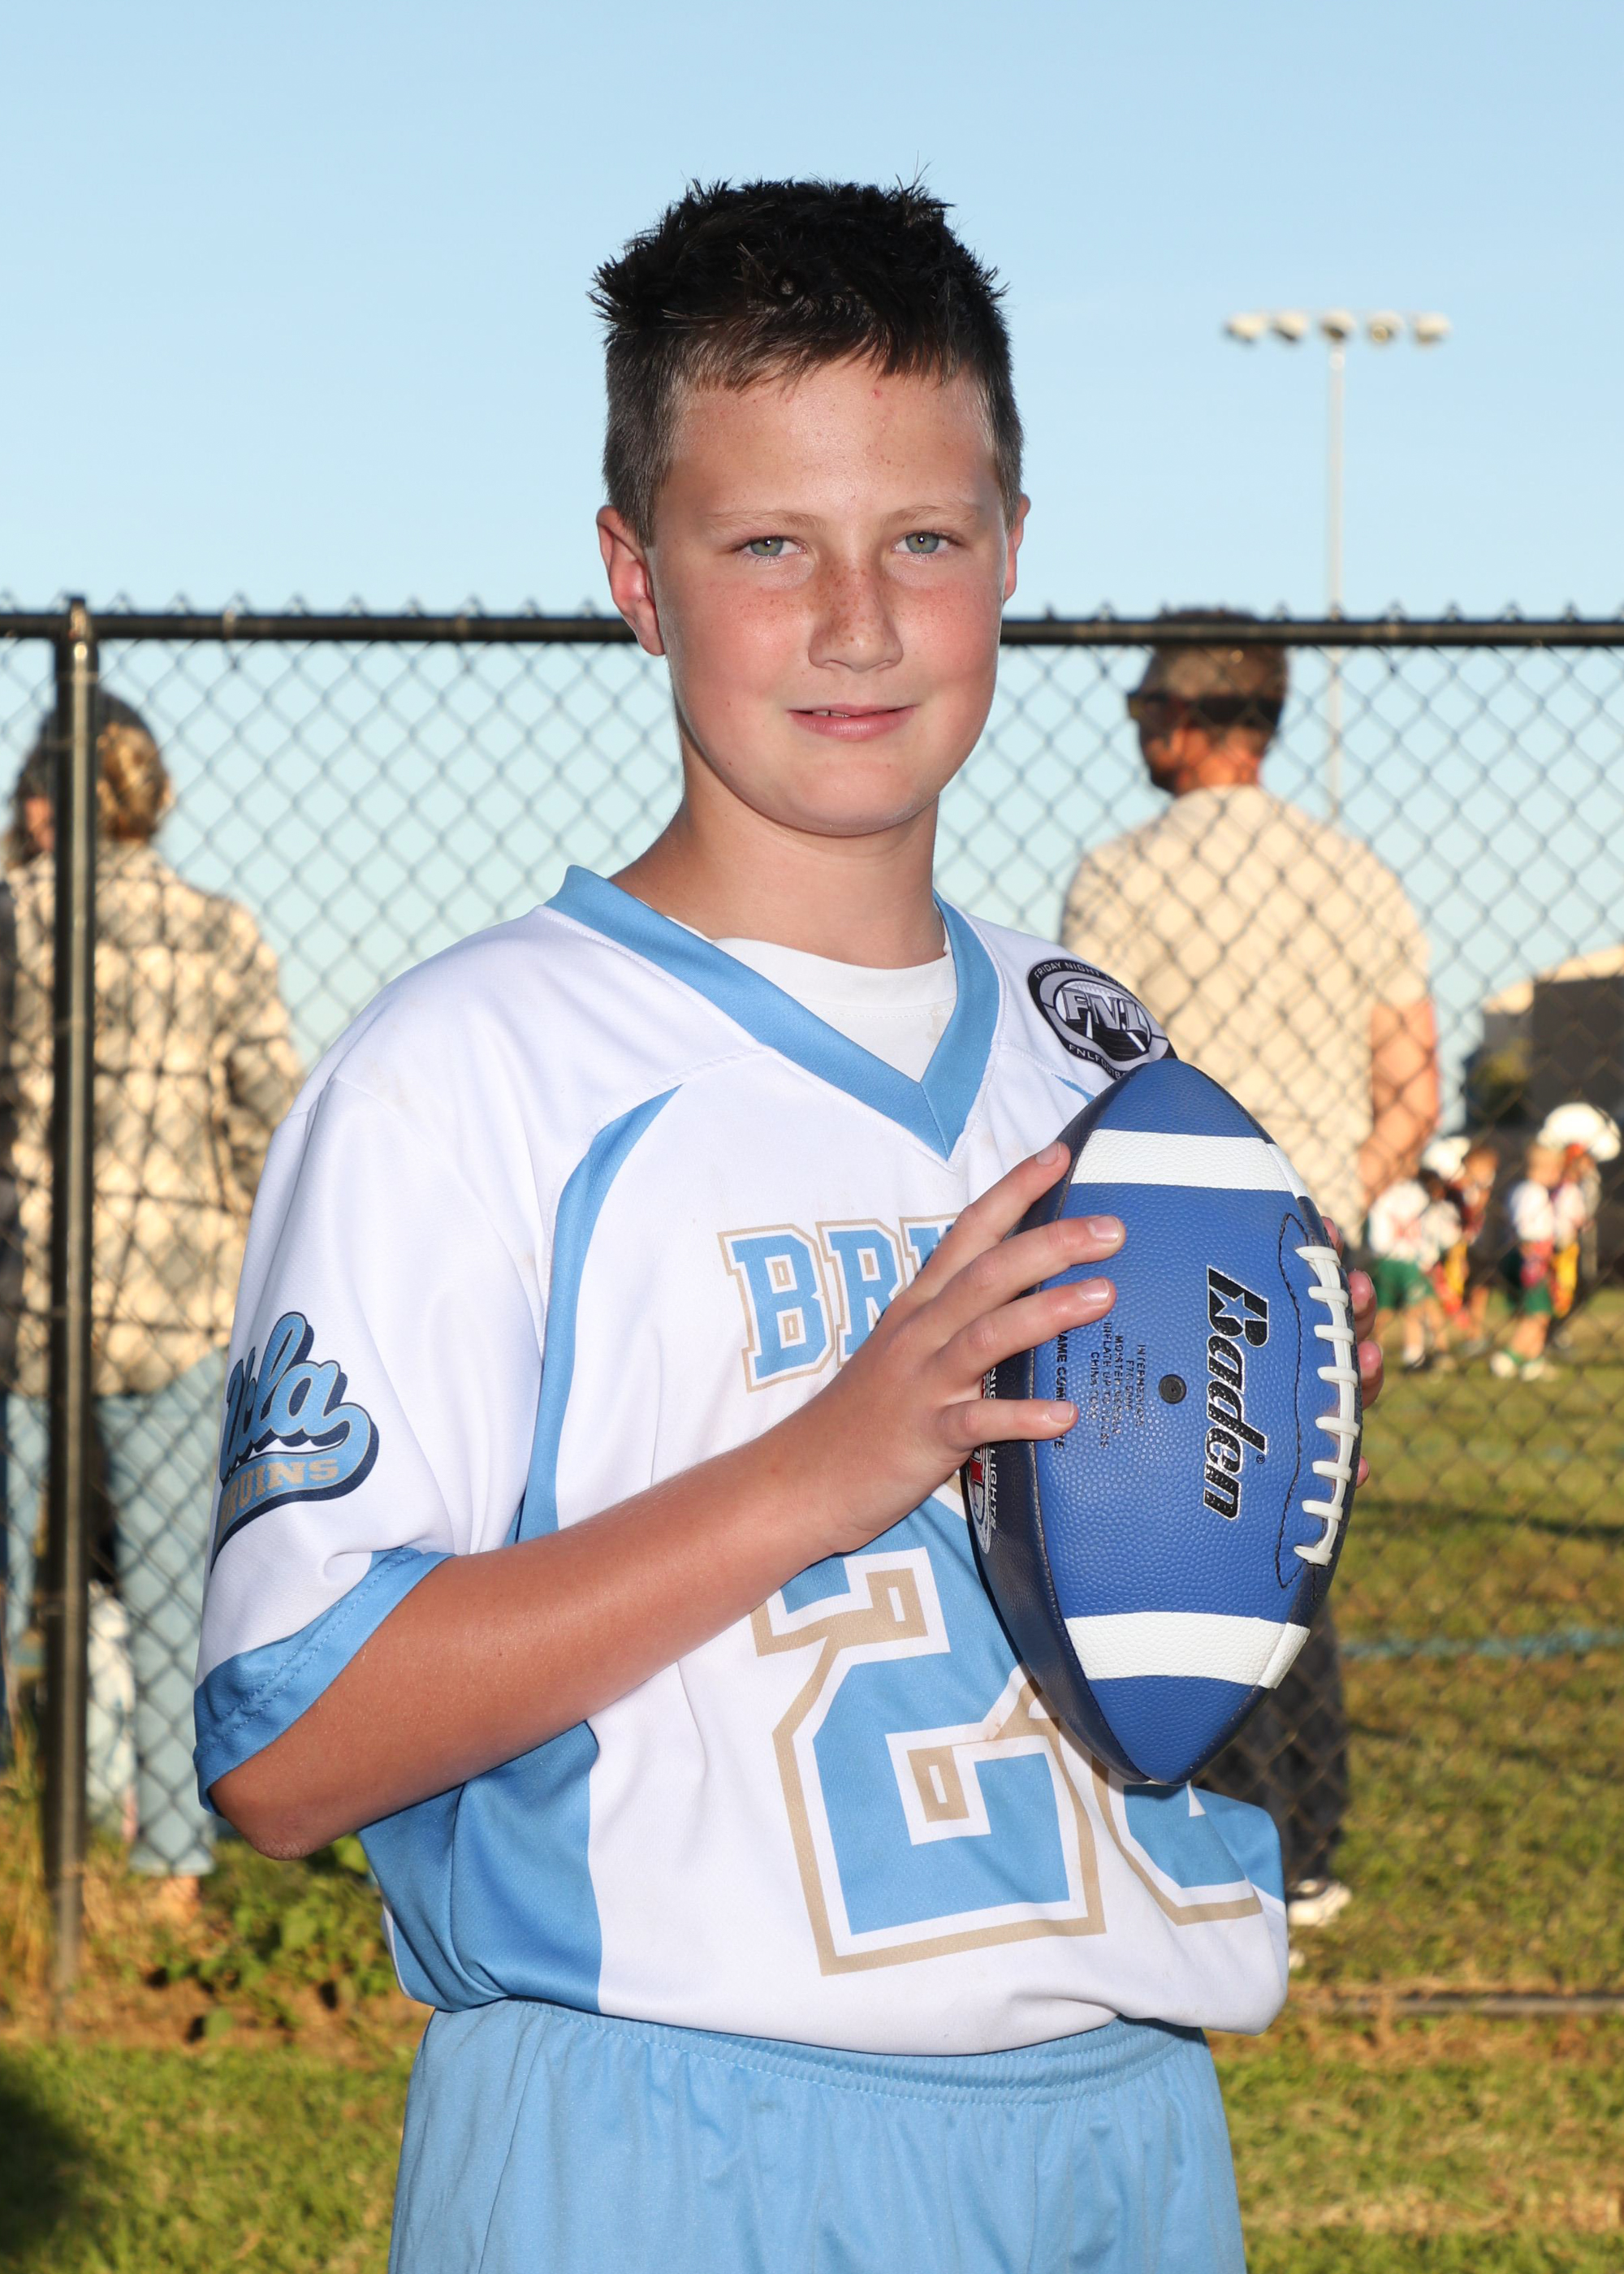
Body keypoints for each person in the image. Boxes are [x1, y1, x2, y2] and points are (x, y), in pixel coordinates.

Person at [197, 182, 1383, 2274]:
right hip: (663, 2131)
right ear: (633, 575)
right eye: (767, 546)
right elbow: (287, 1744)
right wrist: (819, 1469)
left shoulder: (1105, 1063)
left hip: (1115, 2127)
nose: (857, 620)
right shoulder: (472, 1072)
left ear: (1010, 545)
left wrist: (1267, 1443)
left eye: (922, 539)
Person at [1061, 625, 1436, 1937]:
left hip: (1172, 1246)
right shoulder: (1354, 871)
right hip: (1310, 1237)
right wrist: (1328, 1197)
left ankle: (1197, 1809)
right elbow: (1412, 1088)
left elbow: (1095, 1073)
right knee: (1295, 1527)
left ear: (1176, 721)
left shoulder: (1123, 874)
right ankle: (1307, 1838)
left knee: (1169, 1525)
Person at [2, 697, 301, 1912]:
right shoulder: (218, 931)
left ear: (47, 802)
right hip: (177, 1298)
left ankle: (23, 1852)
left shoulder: (14, 918)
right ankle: (171, 1868)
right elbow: (268, 1113)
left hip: (22, 1289)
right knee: (179, 1589)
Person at [1365, 1164, 1460, 1371]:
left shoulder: (1384, 1194)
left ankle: (1374, 1353)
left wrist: (1379, 1251)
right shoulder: (1419, 1196)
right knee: (1412, 1309)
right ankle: (1413, 1355)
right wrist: (1427, 1258)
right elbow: (1430, 1230)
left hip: (1387, 1259)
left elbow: (1377, 1231)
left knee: (1385, 1309)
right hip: (1410, 1260)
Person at [1491, 1139, 1567, 1381]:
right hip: (1531, 1258)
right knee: (1538, 1313)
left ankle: (1533, 1362)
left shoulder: (1521, 1189)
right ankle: (1508, 1357)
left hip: (1524, 1256)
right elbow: (1528, 1230)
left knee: (1537, 1312)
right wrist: (1536, 1257)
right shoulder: (1533, 1193)